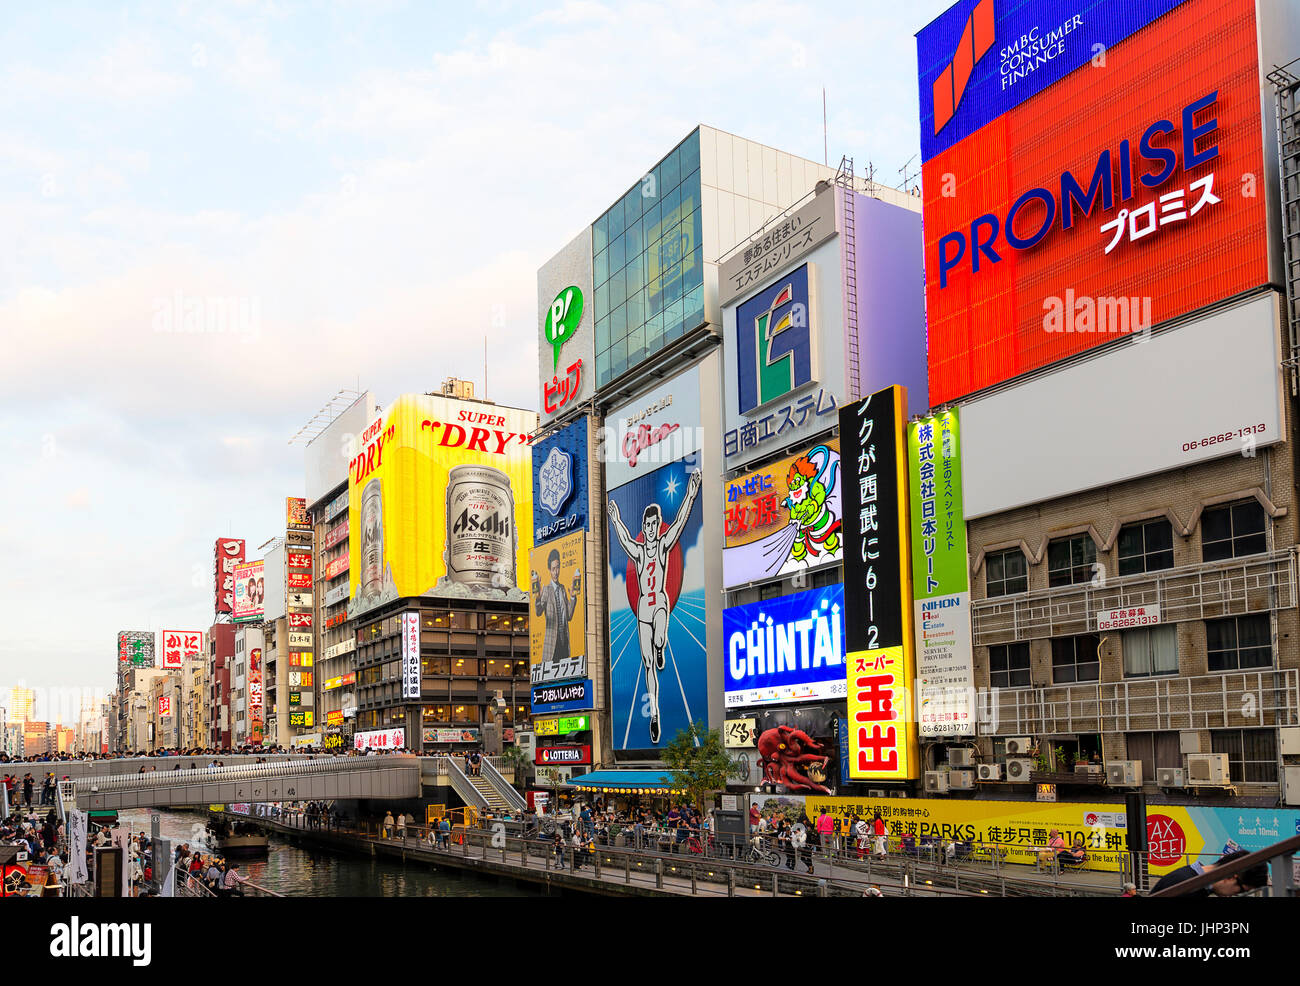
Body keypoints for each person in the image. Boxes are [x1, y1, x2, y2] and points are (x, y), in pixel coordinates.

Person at [606, 468, 702, 743]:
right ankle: (655, 715)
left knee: (660, 638)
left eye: (653, 524)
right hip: (642, 610)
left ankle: (661, 646)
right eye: (646, 525)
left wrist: (691, 494)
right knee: (648, 663)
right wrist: (615, 519)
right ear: (644, 526)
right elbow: (624, 539)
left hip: (659, 601)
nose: (649, 529)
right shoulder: (638, 552)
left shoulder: (662, 547)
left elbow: (681, 522)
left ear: (657, 524)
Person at [533, 548, 581, 675]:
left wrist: (572, 598)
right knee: (550, 680)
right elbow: (538, 612)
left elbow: (569, 616)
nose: (556, 572)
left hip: (564, 640)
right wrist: (538, 596)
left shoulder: (562, 589)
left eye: (558, 568)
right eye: (553, 569)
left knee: (566, 677)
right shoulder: (547, 590)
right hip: (551, 644)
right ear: (549, 569)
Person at [1149, 850, 1269, 897]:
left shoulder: (1192, 881)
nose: (1232, 895)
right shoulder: (1187, 887)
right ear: (1232, 877)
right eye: (1241, 890)